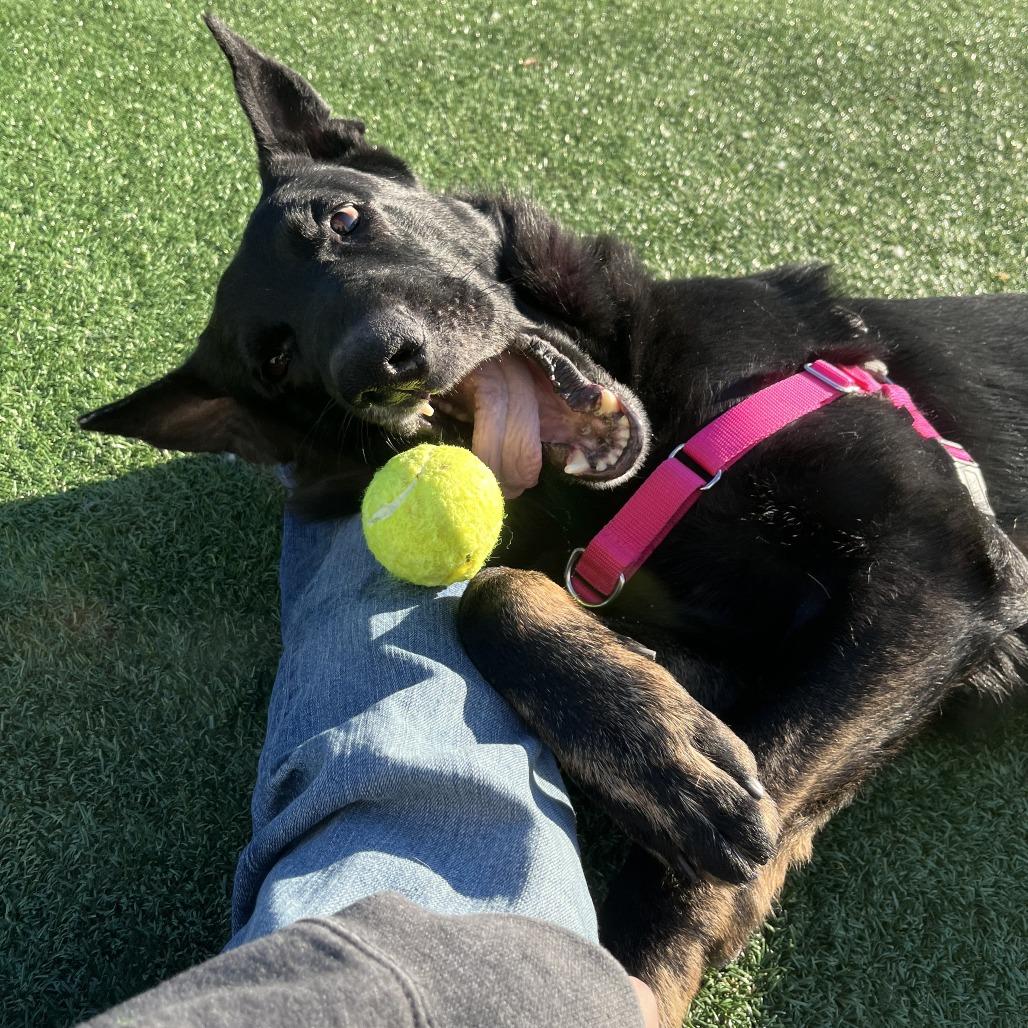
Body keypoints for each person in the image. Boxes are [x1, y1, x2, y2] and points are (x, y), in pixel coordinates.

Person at [84, 512, 658, 1027]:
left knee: (364, 519)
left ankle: (347, 490)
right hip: (509, 971)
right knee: (390, 598)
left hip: (517, 975)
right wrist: (543, 992)